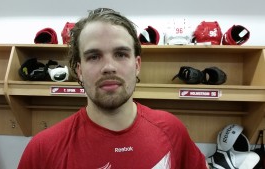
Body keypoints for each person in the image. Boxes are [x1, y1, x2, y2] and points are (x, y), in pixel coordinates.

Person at [18, 8, 208, 169]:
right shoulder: (43, 150)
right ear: (79, 70)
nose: (109, 67)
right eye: (93, 56)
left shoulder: (172, 131)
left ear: (137, 64)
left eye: (120, 54)